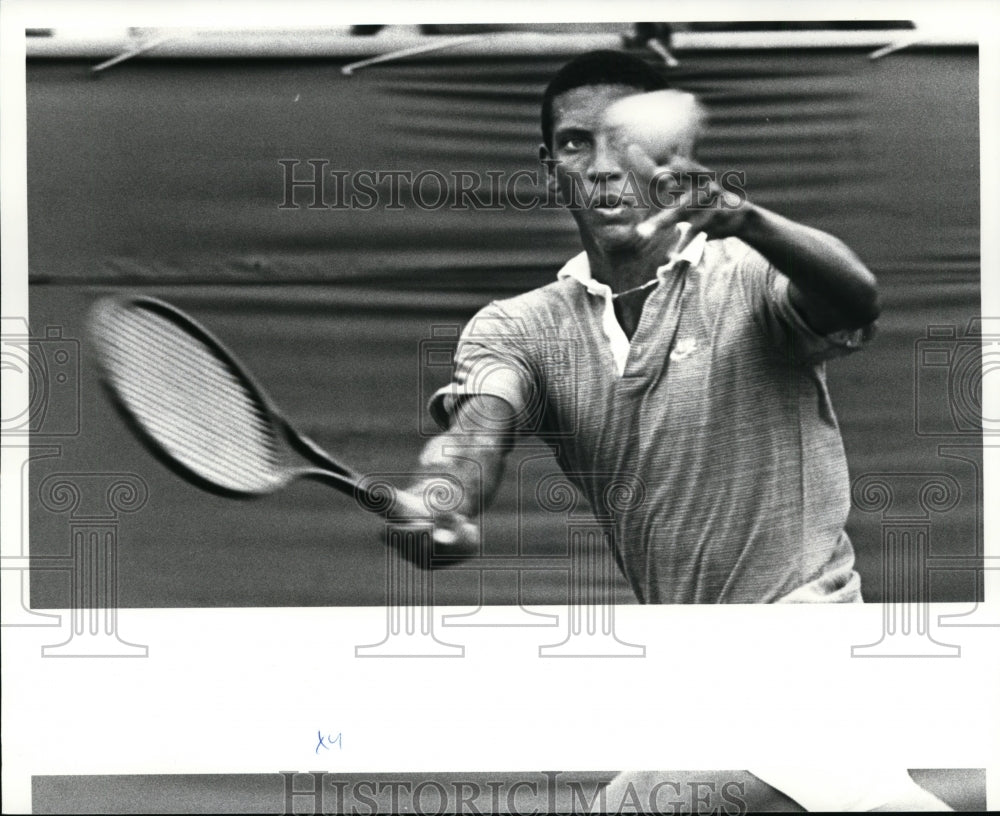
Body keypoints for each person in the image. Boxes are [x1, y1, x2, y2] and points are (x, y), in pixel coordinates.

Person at [391, 48, 879, 605]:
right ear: (552, 171)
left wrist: (747, 220)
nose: (603, 167)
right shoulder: (516, 328)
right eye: (576, 143)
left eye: (624, 141)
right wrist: (440, 497)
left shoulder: (754, 275)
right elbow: (475, 436)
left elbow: (857, 299)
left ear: (672, 157)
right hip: (681, 644)